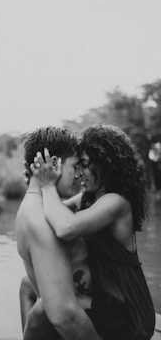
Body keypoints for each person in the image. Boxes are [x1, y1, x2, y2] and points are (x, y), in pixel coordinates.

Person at [31, 124, 156, 340]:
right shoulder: (88, 198)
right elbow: (53, 213)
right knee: (28, 287)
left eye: (85, 165)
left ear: (106, 165)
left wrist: (48, 186)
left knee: (50, 307)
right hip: (105, 297)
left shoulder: (116, 202)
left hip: (129, 308)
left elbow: (65, 227)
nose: (79, 173)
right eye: (78, 166)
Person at [16, 126, 101, 340]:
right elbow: (64, 315)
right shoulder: (40, 220)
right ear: (54, 164)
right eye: (74, 166)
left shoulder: (38, 206)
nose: (77, 175)